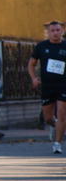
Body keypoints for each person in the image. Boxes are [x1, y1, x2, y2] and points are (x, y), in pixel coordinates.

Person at [27, 21, 66, 154]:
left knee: (62, 114)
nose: (55, 33)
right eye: (52, 30)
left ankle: (57, 144)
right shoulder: (41, 46)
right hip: (47, 85)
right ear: (48, 32)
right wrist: (34, 78)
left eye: (58, 30)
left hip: (63, 85)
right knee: (47, 118)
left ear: (62, 31)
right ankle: (57, 127)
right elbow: (31, 64)